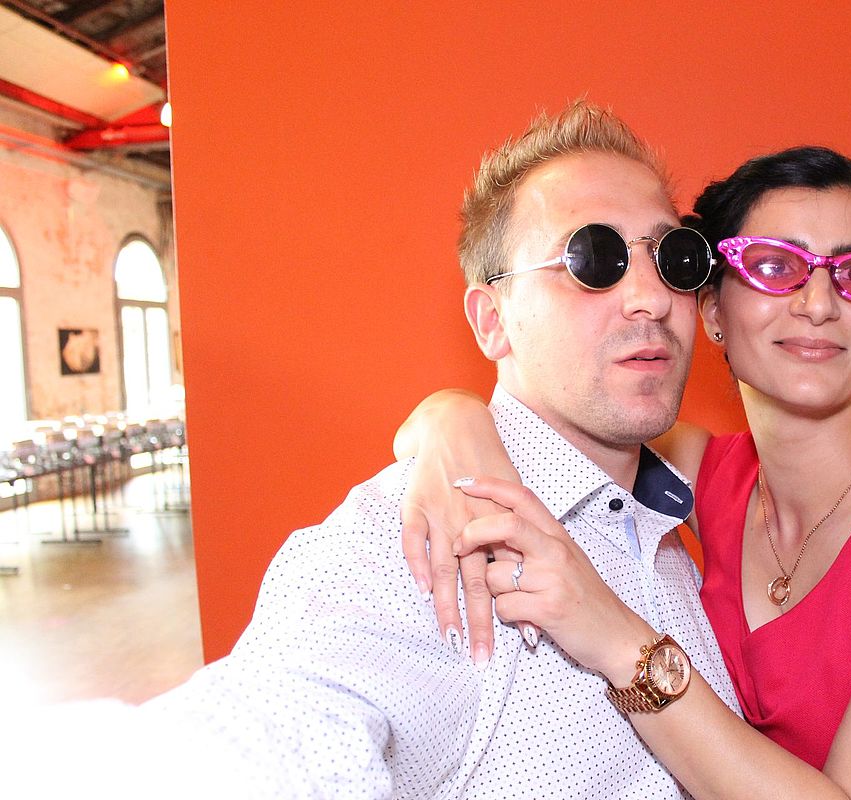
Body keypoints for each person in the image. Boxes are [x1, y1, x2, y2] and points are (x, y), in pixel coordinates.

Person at [1, 100, 741, 799]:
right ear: (492, 321)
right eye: (593, 259)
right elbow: (283, 713)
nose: (651, 298)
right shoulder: (419, 542)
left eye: (673, 258)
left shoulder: (673, 512)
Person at [394, 146, 851, 799]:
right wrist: (451, 418)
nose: (819, 304)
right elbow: (561, 414)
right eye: (775, 267)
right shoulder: (703, 475)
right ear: (709, 312)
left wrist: (615, 638)